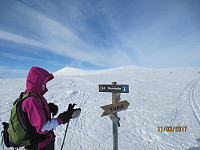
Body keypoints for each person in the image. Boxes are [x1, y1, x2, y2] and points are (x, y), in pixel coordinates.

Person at [22, 66, 76, 150]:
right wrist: (61, 119)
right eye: (44, 82)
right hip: (40, 145)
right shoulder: (32, 100)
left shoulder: (32, 95)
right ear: (37, 81)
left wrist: (47, 108)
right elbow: (42, 127)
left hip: (43, 142)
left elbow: (32, 117)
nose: (45, 84)